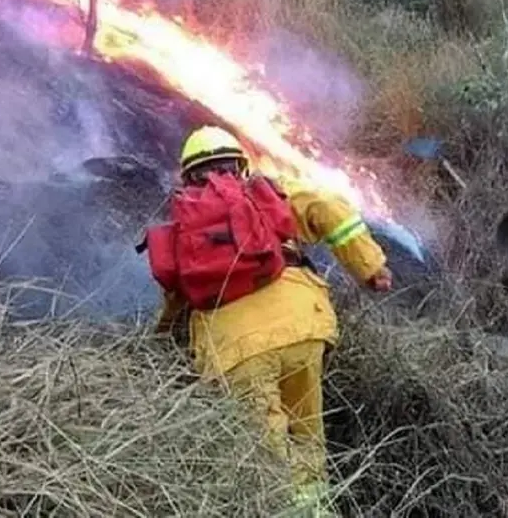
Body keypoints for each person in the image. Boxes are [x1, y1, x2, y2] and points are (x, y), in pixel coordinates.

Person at [150, 126, 392, 516]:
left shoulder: (184, 227)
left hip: (236, 354)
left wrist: (159, 341)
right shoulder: (267, 192)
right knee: (308, 437)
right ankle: (320, 504)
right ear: (240, 165)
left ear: (187, 175)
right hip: (304, 329)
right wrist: (371, 267)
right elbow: (328, 208)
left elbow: (174, 300)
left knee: (272, 466)